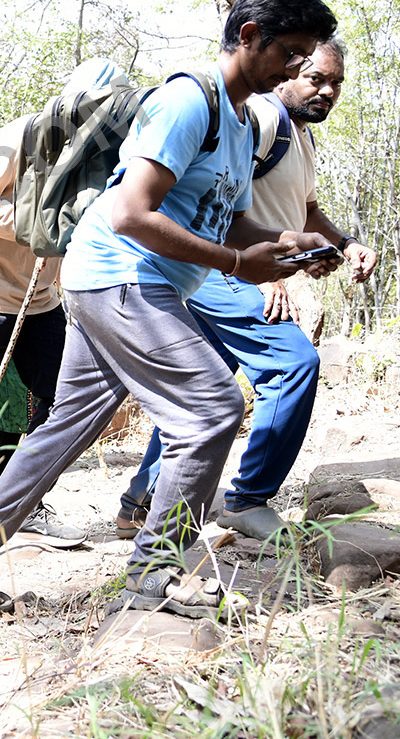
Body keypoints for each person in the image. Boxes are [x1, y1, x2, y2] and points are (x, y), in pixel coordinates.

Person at [0, 0, 339, 619]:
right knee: (211, 407)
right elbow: (130, 213)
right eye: (290, 53)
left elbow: (224, 220)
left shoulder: (242, 125)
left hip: (122, 280)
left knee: (72, 422)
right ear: (249, 34)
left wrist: (286, 244)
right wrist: (239, 264)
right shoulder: (190, 101)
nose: (296, 69)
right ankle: (156, 573)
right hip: (117, 272)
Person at [115, 39, 375, 541]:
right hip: (226, 269)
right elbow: (221, 198)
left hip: (232, 271)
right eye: (315, 77)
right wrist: (265, 272)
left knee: (202, 388)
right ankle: (248, 499)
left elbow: (306, 210)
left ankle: (141, 500)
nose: (327, 90)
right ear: (287, 72)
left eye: (336, 82)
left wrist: (345, 244)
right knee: (293, 365)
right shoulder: (262, 119)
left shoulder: (299, 134)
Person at [0, 69, 140, 548]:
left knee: (49, 404)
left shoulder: (106, 150)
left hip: (42, 299)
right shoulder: (21, 136)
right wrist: (37, 221)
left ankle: (16, 504)